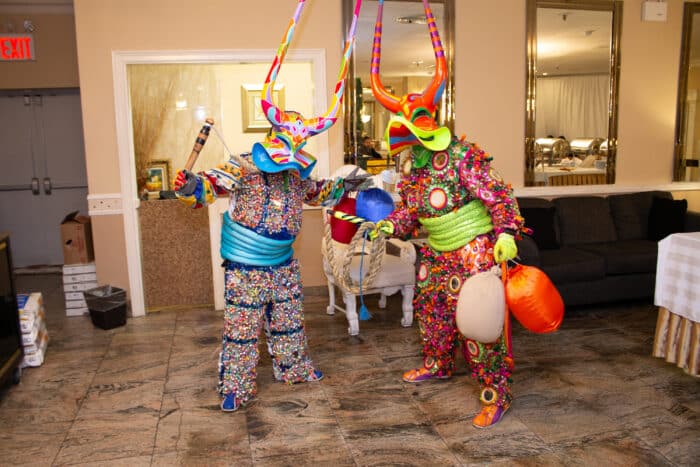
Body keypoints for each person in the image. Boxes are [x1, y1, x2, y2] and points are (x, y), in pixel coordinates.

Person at [173, 0, 365, 412]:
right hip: (246, 266)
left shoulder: (297, 176)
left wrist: (351, 185)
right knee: (242, 328)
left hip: (283, 262)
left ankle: (293, 367)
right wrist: (190, 182)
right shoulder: (244, 165)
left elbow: (323, 193)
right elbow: (209, 184)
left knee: (289, 319)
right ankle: (235, 387)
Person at [369, 0, 524, 428]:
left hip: (474, 250)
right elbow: (411, 214)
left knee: (479, 323)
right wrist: (388, 224)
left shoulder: (462, 154)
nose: (414, 140)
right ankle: (438, 364)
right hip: (437, 253)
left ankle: (496, 393)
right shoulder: (410, 166)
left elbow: (498, 195)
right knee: (433, 311)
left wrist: (506, 232)